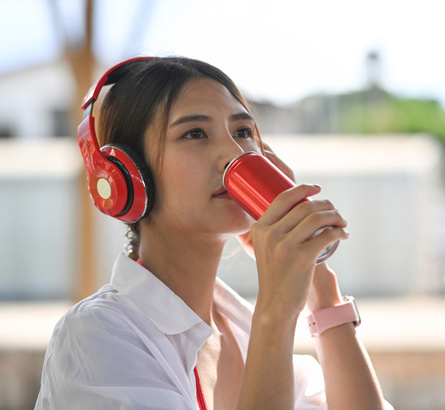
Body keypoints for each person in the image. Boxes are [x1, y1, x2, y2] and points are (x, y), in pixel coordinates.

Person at [35, 56, 390, 409]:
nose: (234, 155)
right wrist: (276, 314)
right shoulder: (98, 336)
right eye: (194, 133)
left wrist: (320, 288)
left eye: (243, 132)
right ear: (128, 175)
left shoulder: (246, 330)